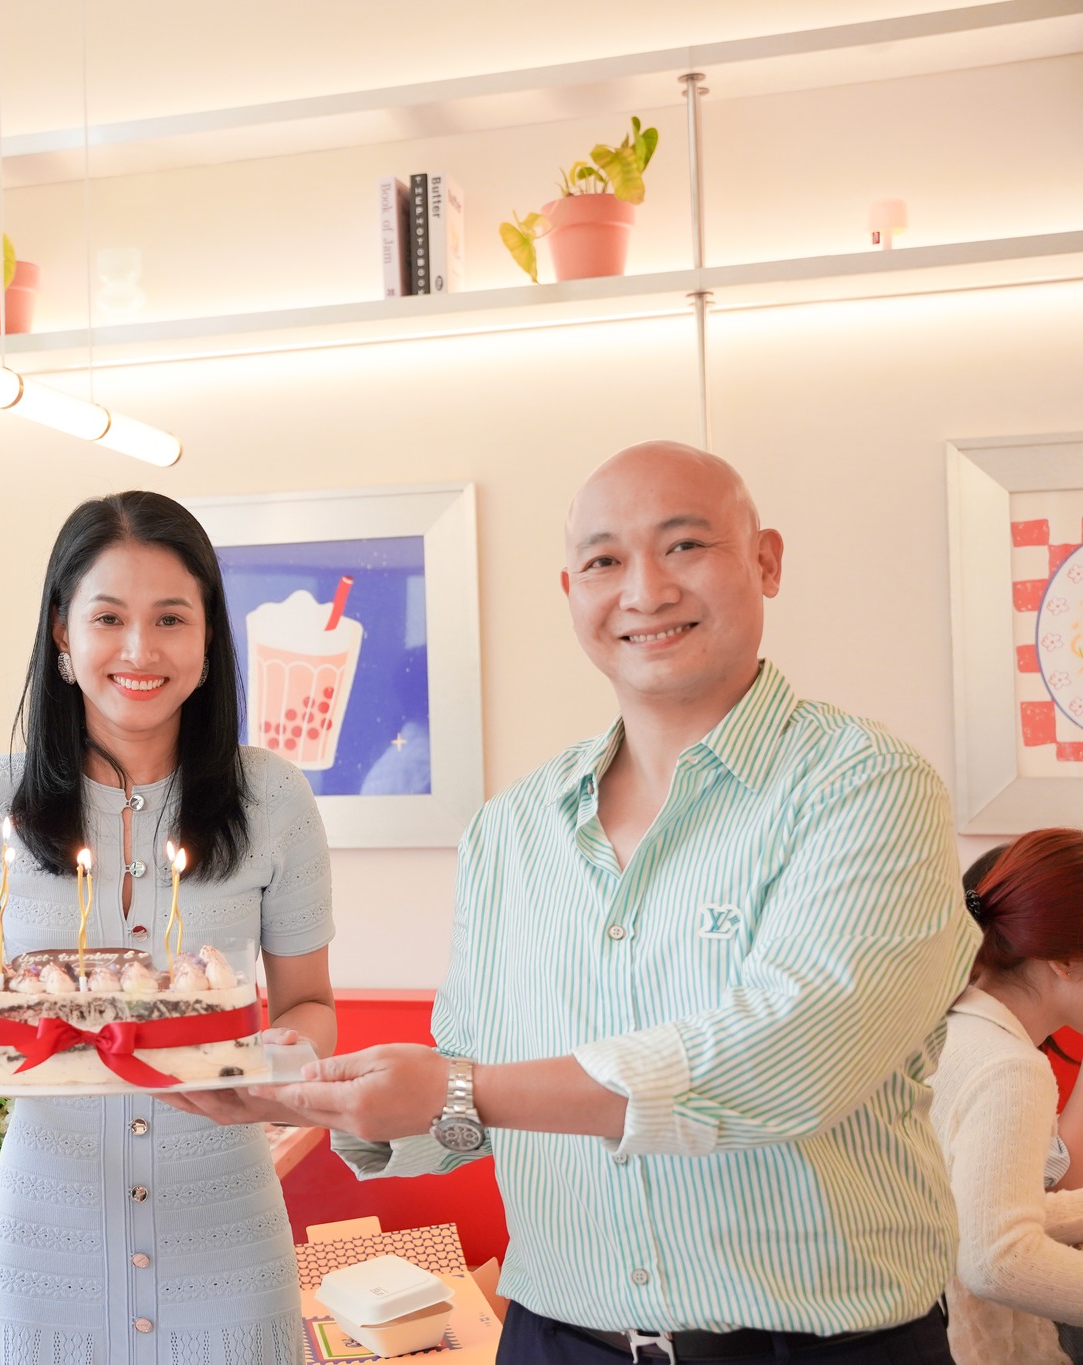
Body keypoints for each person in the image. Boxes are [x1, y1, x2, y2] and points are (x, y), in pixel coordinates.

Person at [227, 442, 977, 1363]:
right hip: (557, 1337)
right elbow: (469, 1090)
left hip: (821, 1346)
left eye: (685, 545)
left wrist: (461, 1087)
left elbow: (790, 1062)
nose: (645, 590)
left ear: (766, 559)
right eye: (604, 561)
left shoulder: (866, 786)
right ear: (571, 590)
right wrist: (310, 1100)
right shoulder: (511, 830)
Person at [0, 490, 338, 1363]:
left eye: (171, 618)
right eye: (109, 617)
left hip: (226, 1243)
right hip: (45, 1254)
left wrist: (274, 1071)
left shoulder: (274, 799)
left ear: (208, 636)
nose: (141, 650)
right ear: (62, 633)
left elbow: (311, 1005)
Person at [932, 828, 1083, 1364]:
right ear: (1062, 960)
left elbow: (973, 1215)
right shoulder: (1009, 1066)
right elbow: (998, 1261)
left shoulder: (956, 1029)